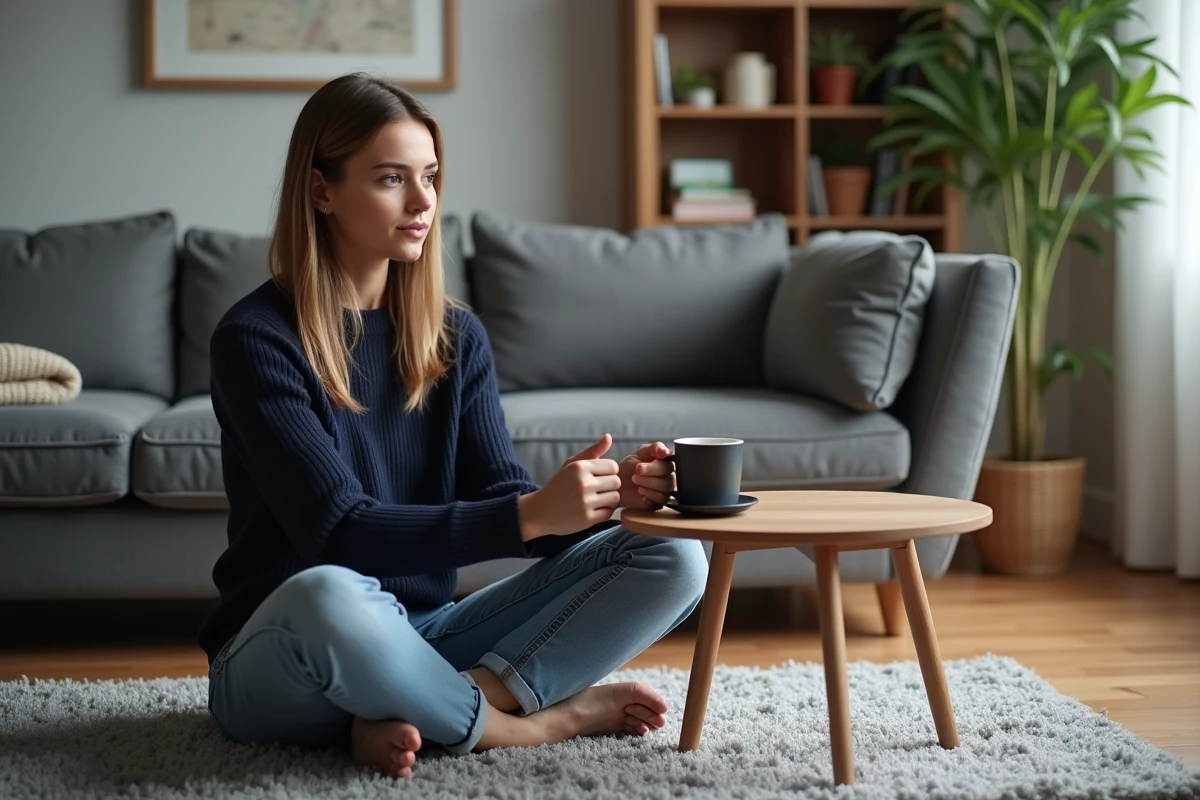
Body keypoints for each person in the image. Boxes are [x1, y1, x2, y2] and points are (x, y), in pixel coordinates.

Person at [197, 72, 709, 780]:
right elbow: (339, 531)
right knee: (329, 590)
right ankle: (531, 723)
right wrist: (529, 515)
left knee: (674, 555)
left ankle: (414, 709)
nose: (422, 201)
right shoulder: (256, 339)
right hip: (285, 654)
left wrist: (610, 502)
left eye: (430, 176)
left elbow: (502, 492)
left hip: (420, 639)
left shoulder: (454, 336)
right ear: (322, 191)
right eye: (390, 179)